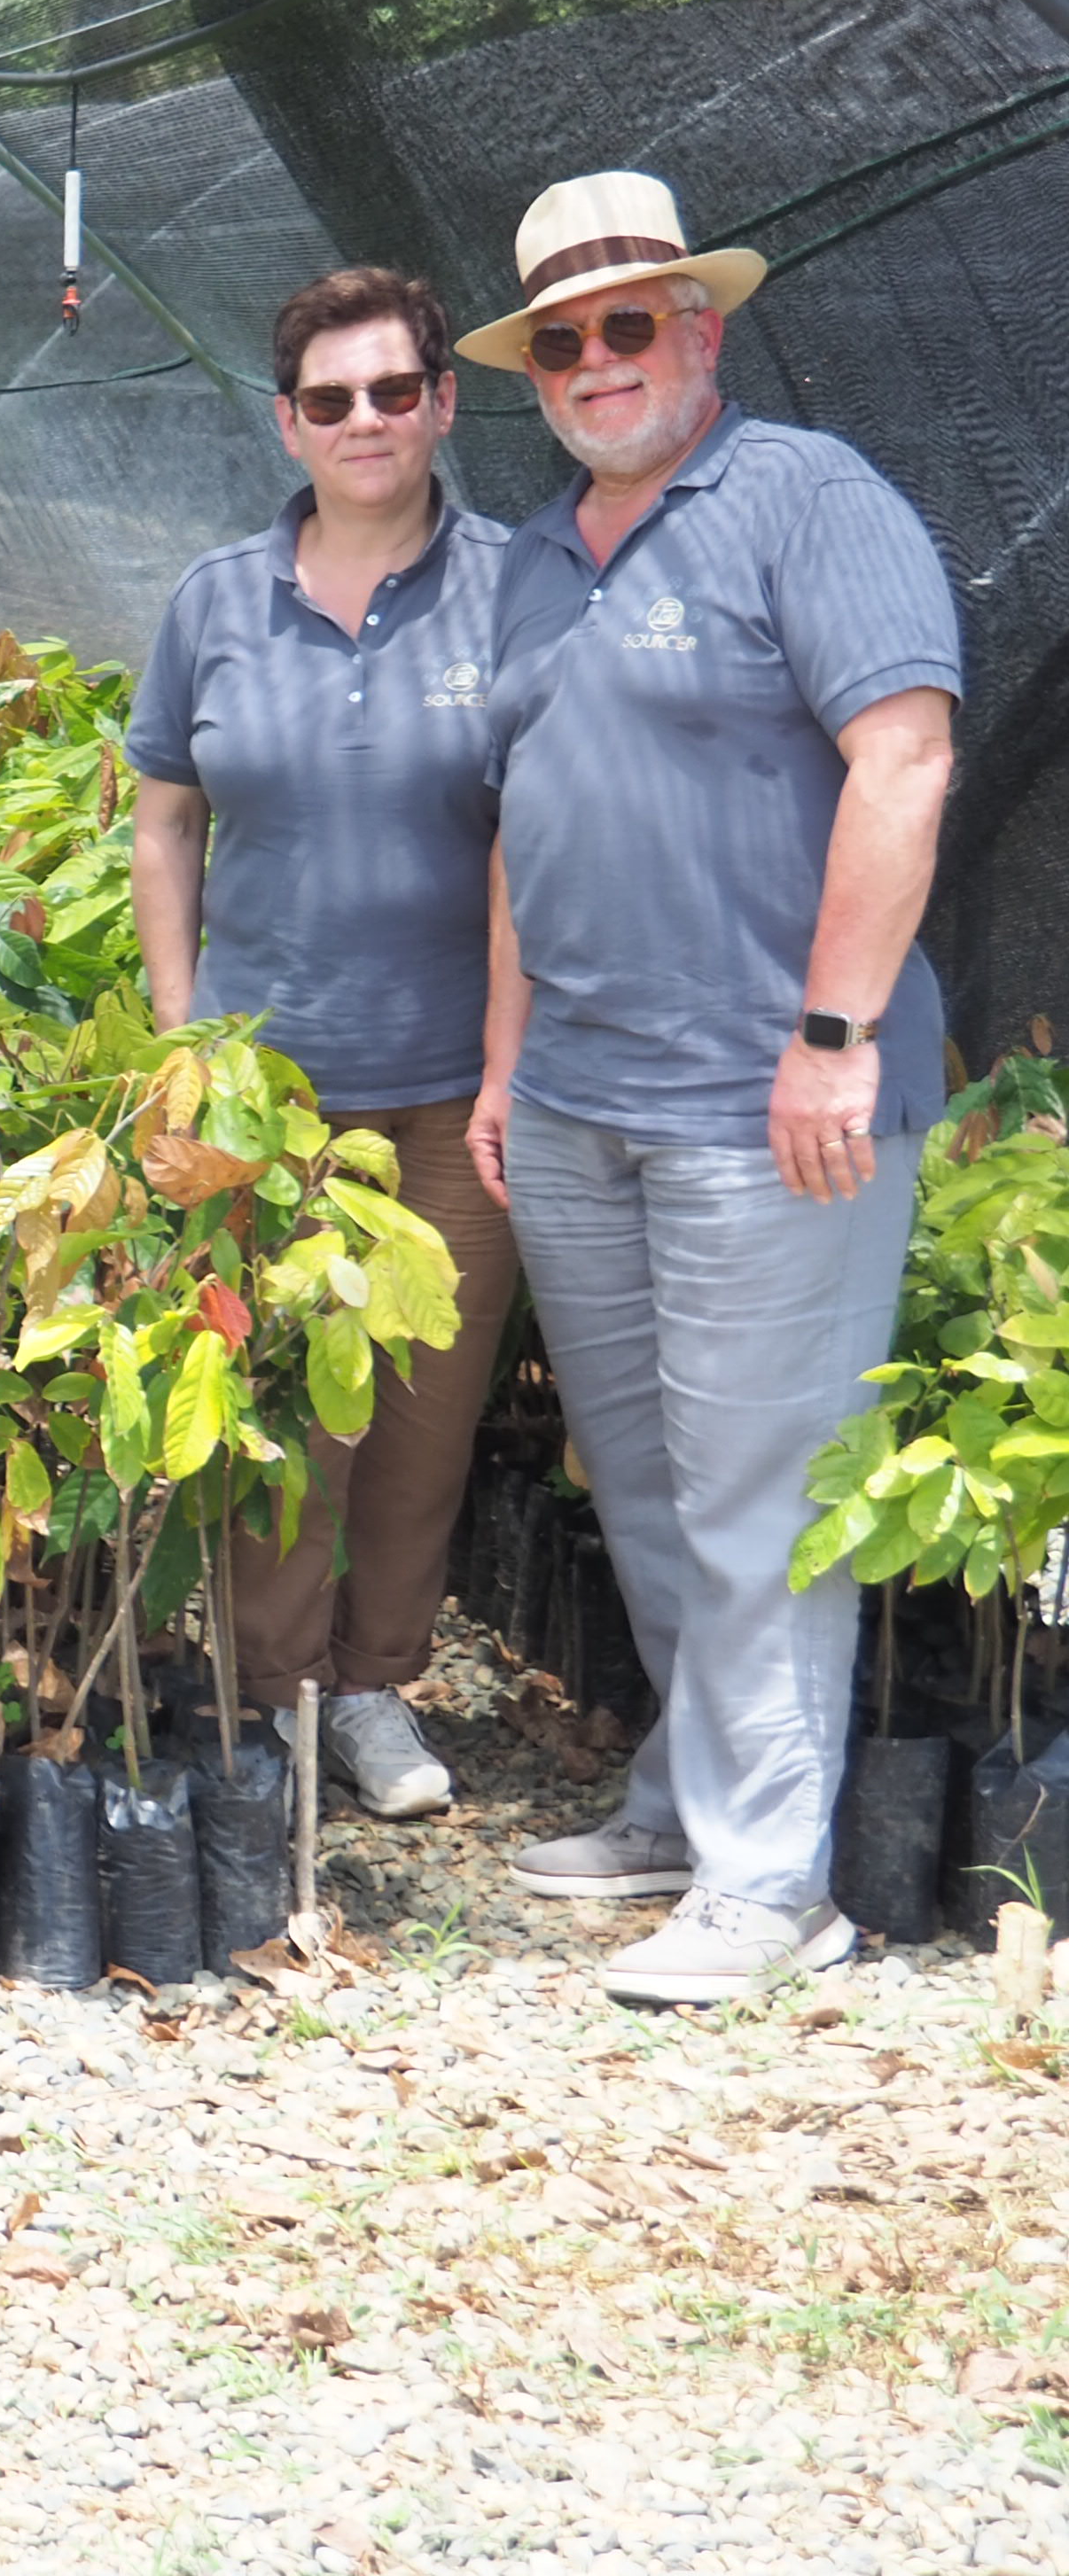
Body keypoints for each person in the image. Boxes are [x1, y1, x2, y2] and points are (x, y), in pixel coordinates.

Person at [457, 172, 962, 2007]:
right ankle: (692, 1801)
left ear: (701, 327)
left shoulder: (806, 500)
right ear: (537, 371)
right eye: (565, 339)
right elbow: (521, 823)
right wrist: (511, 1059)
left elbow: (902, 759)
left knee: (760, 1488)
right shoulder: (534, 559)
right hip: (587, 1102)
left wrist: (832, 1040)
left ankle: (779, 1885)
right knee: (657, 1489)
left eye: (630, 322)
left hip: (774, 1110)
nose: (601, 360)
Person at [127, 268, 525, 1819]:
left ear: (442, 400)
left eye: (395, 390)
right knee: (283, 1406)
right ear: (287, 422)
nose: (366, 421)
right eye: (330, 399)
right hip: (266, 1097)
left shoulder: (517, 588)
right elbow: (165, 816)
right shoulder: (217, 601)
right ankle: (269, 1702)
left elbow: (537, 843)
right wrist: (180, 1039)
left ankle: (372, 1693)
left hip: (458, 1093)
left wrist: (510, 1064)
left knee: (423, 1416)